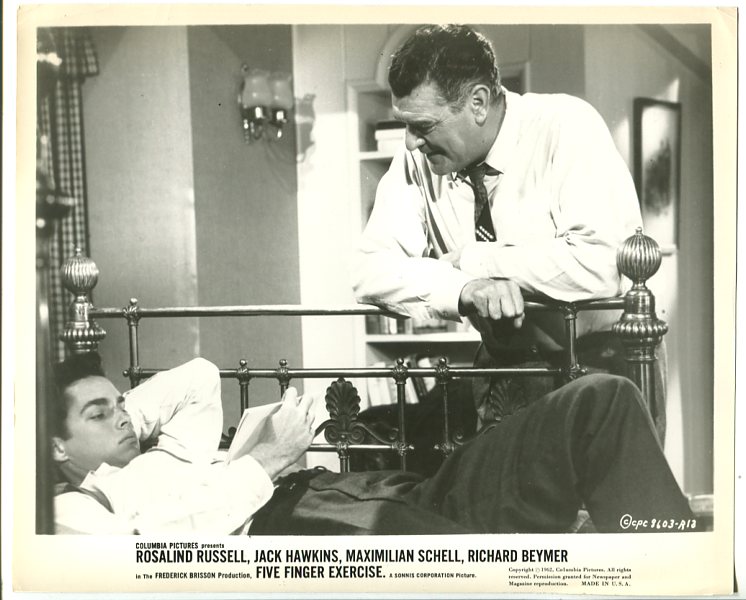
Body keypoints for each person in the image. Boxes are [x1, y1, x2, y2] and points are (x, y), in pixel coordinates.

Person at [351, 24, 666, 441]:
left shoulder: (565, 126)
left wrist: (475, 261)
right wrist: (465, 289)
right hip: (502, 370)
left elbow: (598, 266)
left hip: (602, 365)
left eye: (423, 126)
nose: (410, 144)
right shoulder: (417, 161)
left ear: (478, 102)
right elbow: (369, 271)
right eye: (405, 126)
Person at [51, 352, 695, 535]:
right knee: (486, 549)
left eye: (122, 405)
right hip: (297, 530)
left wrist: (124, 417)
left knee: (600, 398)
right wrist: (264, 462)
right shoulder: (72, 511)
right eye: (97, 415)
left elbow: (197, 377)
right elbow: (146, 556)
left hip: (351, 491)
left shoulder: (167, 451)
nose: (122, 418)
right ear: (54, 446)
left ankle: (675, 566)